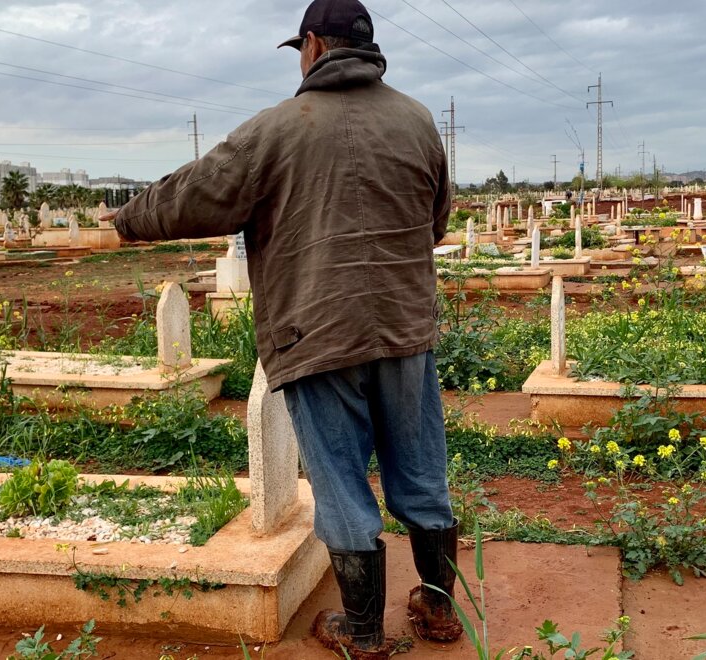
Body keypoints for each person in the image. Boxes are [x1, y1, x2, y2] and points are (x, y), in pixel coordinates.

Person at [101, 1, 458, 657]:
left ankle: (365, 630)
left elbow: (198, 193)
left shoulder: (281, 128)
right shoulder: (417, 121)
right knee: (421, 472)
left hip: (315, 333)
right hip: (404, 331)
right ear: (368, 49)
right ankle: (439, 611)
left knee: (342, 481)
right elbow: (435, 224)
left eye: (300, 49)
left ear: (315, 47)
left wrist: (127, 220)